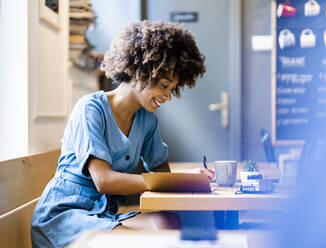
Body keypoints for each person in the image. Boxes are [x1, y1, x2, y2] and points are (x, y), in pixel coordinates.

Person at [31, 20, 214, 248]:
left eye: (172, 89)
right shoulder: (91, 108)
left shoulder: (146, 119)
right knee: (148, 242)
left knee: (167, 222)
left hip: (103, 215)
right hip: (65, 215)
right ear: (142, 72)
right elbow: (104, 181)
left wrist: (185, 179)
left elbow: (160, 172)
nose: (168, 97)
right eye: (164, 86)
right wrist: (168, 181)